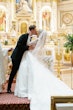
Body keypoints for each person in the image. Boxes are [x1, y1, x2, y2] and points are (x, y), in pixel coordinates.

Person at [14, 30, 73, 110]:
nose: (36, 33)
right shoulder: (39, 41)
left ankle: (26, 89)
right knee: (34, 74)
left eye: (37, 32)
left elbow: (31, 48)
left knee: (29, 74)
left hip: (30, 57)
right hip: (32, 58)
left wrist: (28, 45)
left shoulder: (37, 41)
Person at [7, 25, 37, 93]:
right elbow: (19, 45)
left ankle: (22, 87)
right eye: (35, 30)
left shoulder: (31, 37)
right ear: (32, 30)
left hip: (22, 57)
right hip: (16, 56)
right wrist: (28, 48)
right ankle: (8, 88)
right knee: (13, 72)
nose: (36, 31)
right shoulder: (23, 36)